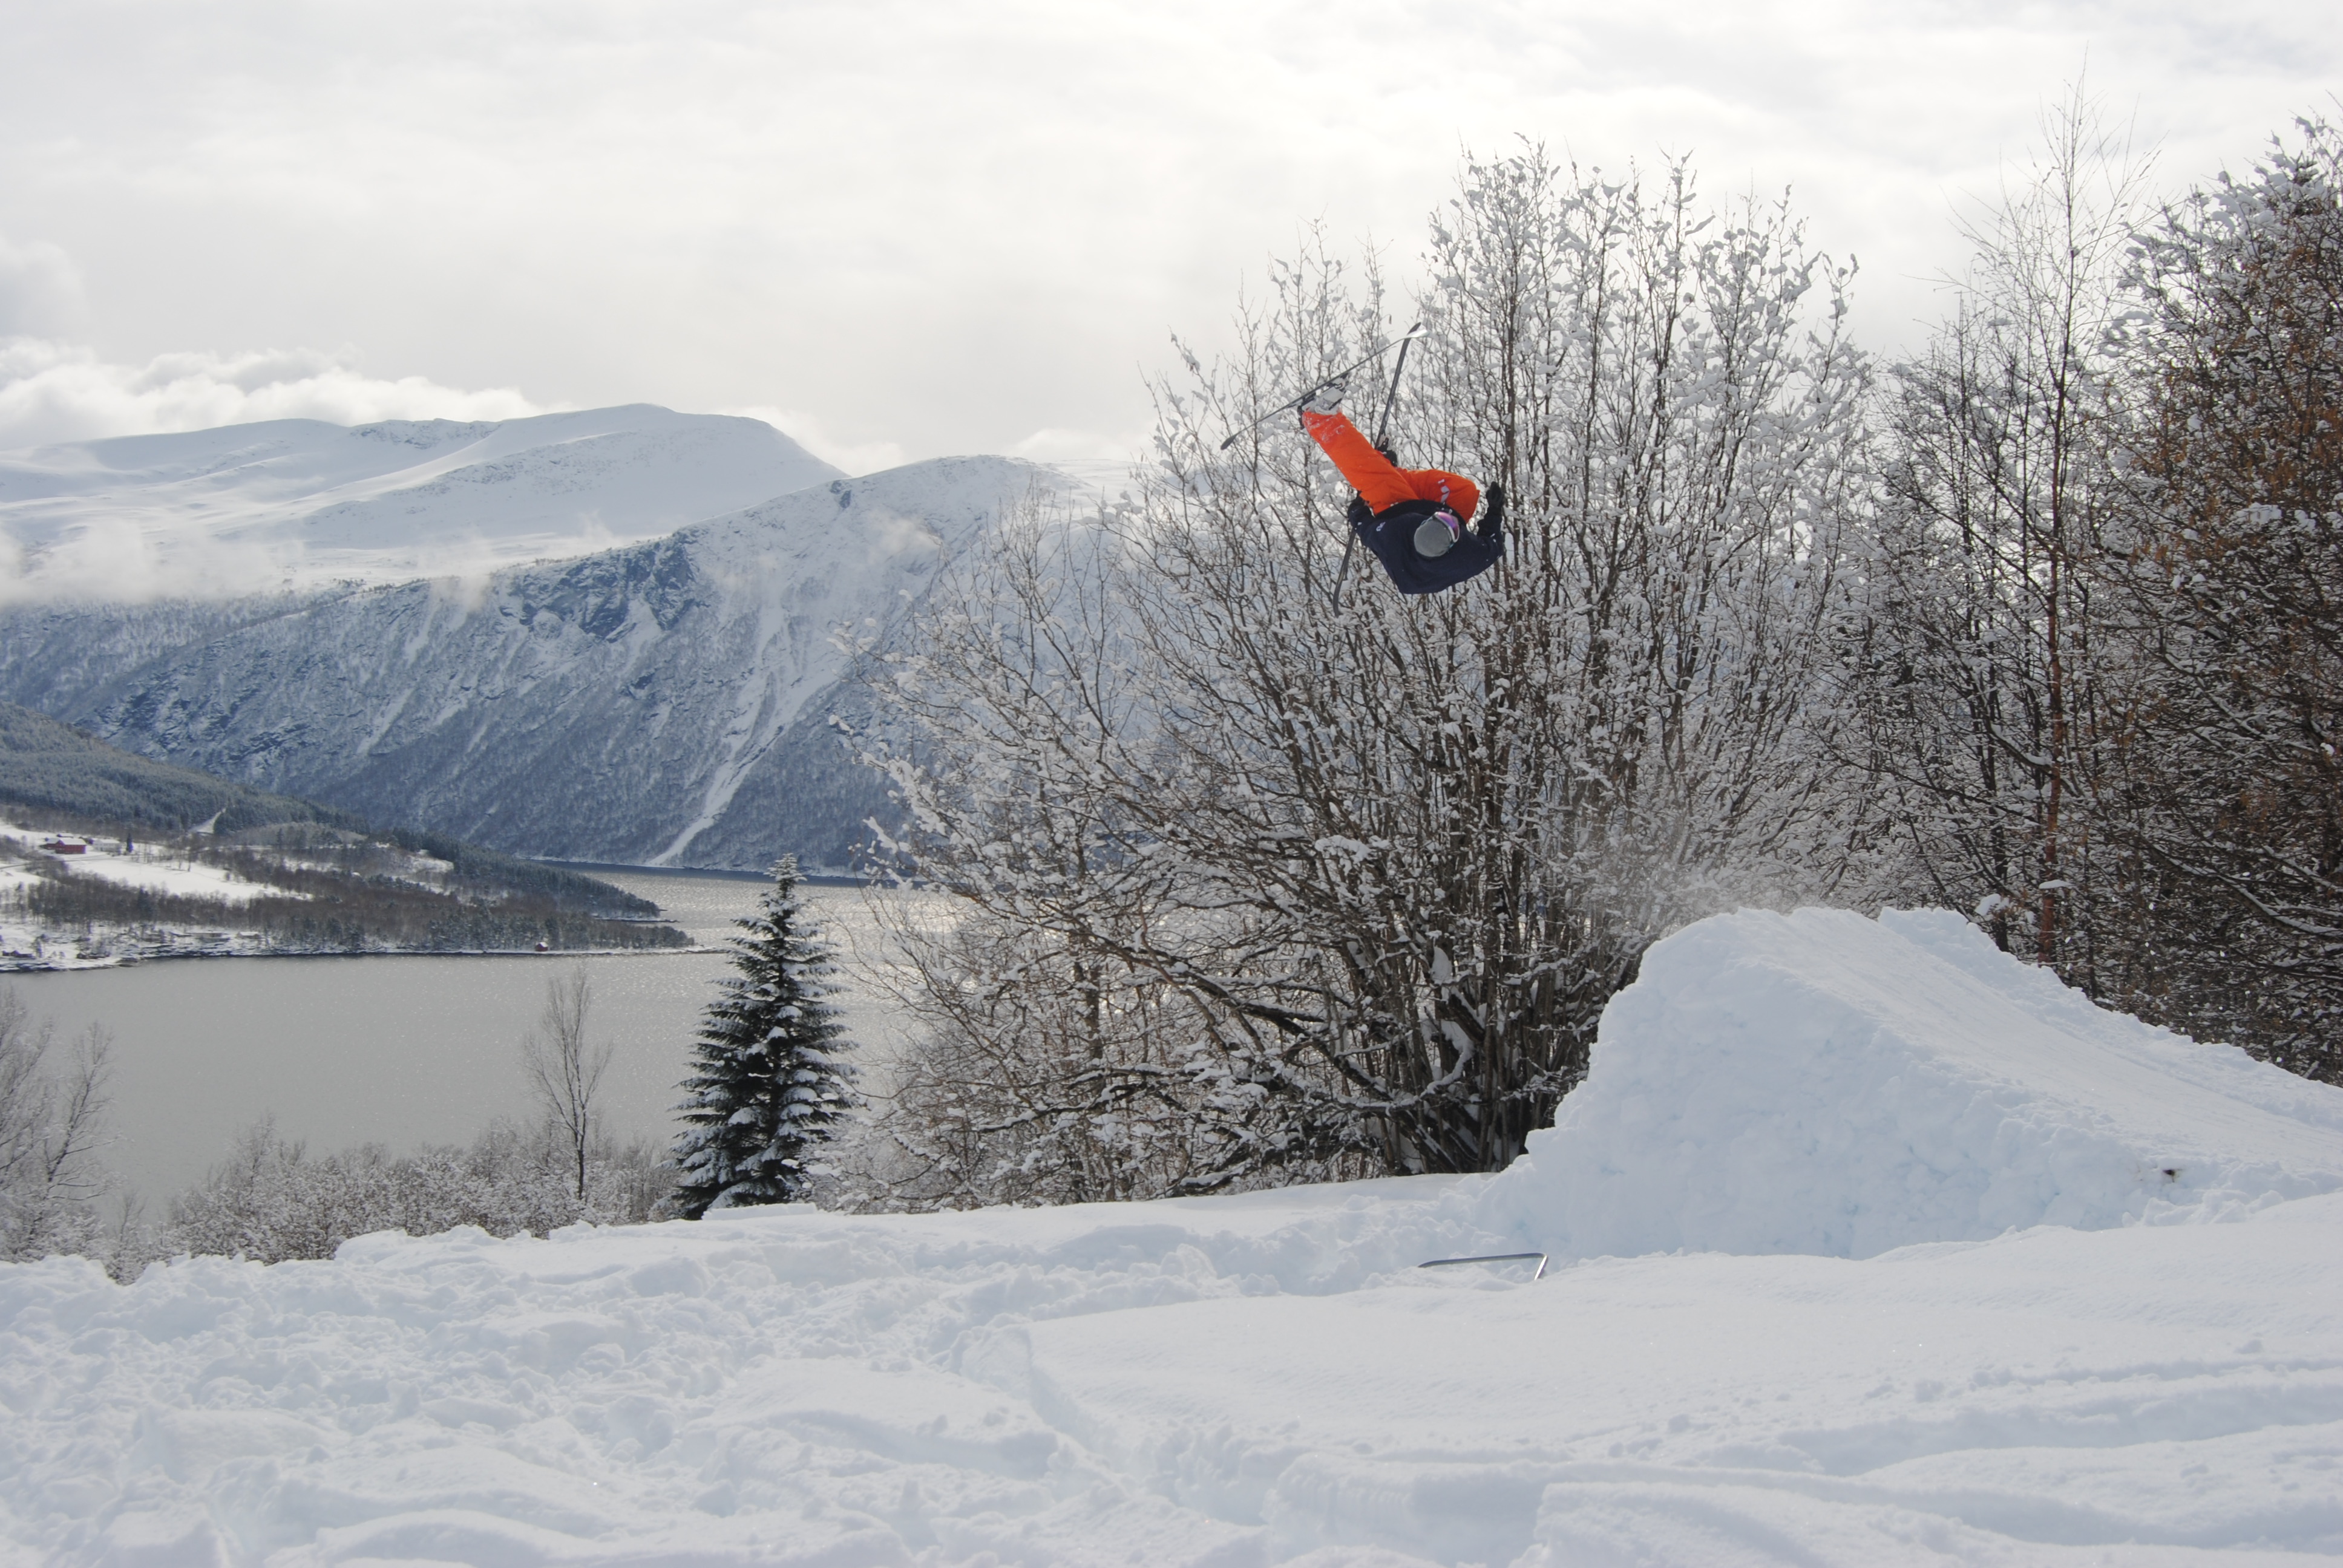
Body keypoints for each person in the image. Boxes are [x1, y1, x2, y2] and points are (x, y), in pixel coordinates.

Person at [1300, 382, 1504, 595]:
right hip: (1420, 511)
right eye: (1444, 520)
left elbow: (1366, 529)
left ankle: (1318, 418)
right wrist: (1495, 510)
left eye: (1443, 519)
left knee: (1376, 477)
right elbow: (1493, 542)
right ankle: (1390, 472)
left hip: (1395, 511)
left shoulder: (1392, 535)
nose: (1444, 516)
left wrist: (1358, 511)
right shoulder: (1473, 555)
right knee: (1465, 491)